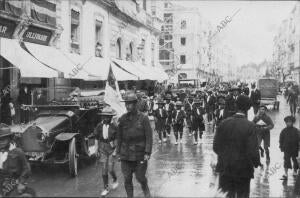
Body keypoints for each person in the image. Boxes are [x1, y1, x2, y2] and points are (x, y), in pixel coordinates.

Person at [213, 95, 260, 198]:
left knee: (226, 195)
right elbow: (253, 151)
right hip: (243, 171)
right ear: (248, 108)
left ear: (235, 105)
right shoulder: (250, 126)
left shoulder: (223, 123)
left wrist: (225, 157)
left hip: (225, 168)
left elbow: (216, 147)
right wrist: (256, 163)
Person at [117, 91, 153, 198]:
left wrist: (147, 152)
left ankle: (146, 190)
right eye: (126, 104)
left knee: (140, 177)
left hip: (139, 154)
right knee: (127, 178)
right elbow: (119, 137)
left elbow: (149, 137)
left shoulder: (143, 118)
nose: (128, 106)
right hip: (126, 154)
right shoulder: (122, 119)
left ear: (135, 104)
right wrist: (118, 152)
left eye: (130, 103)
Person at [0, 123, 36, 197]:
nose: (1, 141)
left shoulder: (17, 152)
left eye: (4, 139)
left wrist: (21, 183)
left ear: (9, 138)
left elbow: (26, 169)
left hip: (13, 183)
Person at [92, 106, 119, 196]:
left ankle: (115, 179)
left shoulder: (115, 126)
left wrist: (115, 151)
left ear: (111, 117)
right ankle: (106, 187)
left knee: (110, 169)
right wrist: (96, 148)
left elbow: (118, 139)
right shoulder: (99, 125)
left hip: (112, 148)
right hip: (103, 148)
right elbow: (96, 137)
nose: (105, 118)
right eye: (104, 116)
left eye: (108, 116)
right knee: (104, 169)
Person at [279, 116, 299, 180]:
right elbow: (281, 140)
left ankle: (295, 171)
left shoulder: (296, 131)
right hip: (286, 149)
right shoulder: (283, 131)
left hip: (294, 148)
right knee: (286, 161)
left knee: (295, 160)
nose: (288, 123)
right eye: (287, 122)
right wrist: (281, 147)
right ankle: (285, 174)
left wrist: (299, 148)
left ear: (292, 123)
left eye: (290, 122)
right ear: (286, 123)